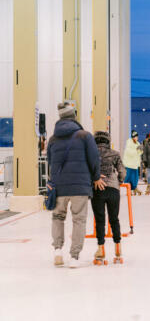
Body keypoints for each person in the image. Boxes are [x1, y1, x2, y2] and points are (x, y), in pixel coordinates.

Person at [47, 102, 105, 268]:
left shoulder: (52, 138)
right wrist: (95, 177)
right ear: (74, 116)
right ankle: (74, 257)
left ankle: (58, 251)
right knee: (78, 220)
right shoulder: (84, 136)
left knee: (58, 217)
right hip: (80, 186)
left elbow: (51, 162)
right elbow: (94, 159)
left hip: (59, 187)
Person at [91, 131, 126, 265]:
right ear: (108, 141)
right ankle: (118, 248)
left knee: (100, 221)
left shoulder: (91, 154)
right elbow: (122, 171)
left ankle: (101, 249)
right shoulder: (115, 154)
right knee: (114, 219)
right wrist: (119, 181)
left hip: (97, 189)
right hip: (113, 189)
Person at [123, 130, 143, 196]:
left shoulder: (137, 143)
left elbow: (139, 153)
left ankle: (134, 188)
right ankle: (129, 190)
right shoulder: (129, 142)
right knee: (128, 178)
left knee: (135, 178)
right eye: (135, 136)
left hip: (135, 164)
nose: (136, 138)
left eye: (137, 136)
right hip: (129, 164)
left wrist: (140, 150)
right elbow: (129, 152)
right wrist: (136, 150)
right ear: (132, 137)